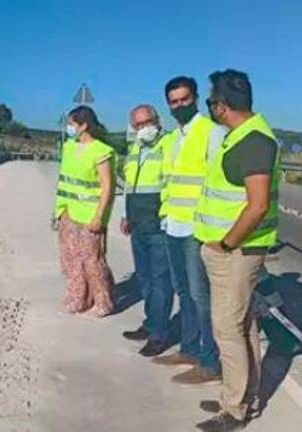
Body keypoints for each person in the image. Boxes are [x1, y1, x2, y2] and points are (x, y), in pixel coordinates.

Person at [194, 69, 280, 431]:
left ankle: (235, 410)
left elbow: (257, 205)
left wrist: (227, 243)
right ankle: (240, 394)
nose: (210, 107)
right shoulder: (239, 136)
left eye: (211, 101)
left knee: (228, 328)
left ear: (222, 106)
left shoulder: (254, 141)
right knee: (241, 325)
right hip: (228, 251)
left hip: (237, 252)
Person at [154, 77, 225, 384]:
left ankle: (209, 362)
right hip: (173, 224)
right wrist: (165, 215)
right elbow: (169, 183)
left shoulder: (211, 133)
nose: (179, 105)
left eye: (184, 99)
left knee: (200, 295)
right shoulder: (172, 139)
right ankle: (189, 348)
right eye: (174, 101)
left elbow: (217, 182)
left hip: (197, 228)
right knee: (183, 291)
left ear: (195, 99)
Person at [119, 105, 174, 356]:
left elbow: (173, 184)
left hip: (158, 224)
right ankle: (150, 323)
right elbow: (131, 185)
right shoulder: (135, 149)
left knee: (161, 281)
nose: (144, 128)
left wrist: (166, 217)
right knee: (145, 279)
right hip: (137, 222)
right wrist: (125, 215)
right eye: (138, 125)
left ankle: (159, 335)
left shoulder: (169, 145)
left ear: (158, 121)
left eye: (147, 122)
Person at [54, 105, 116, 318]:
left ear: (84, 125)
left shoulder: (101, 151)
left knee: (92, 261)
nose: (69, 128)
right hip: (69, 212)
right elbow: (64, 182)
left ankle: (103, 301)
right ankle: (79, 297)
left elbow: (107, 186)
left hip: (91, 215)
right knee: (70, 258)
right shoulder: (69, 147)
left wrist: (100, 216)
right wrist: (59, 211)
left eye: (72, 124)